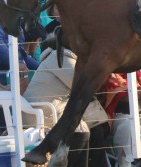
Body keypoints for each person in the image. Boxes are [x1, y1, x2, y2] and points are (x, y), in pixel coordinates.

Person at [24, 23, 110, 167]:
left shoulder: (60, 57)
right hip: (41, 114)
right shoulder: (61, 58)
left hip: (46, 111)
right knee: (85, 132)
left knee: (95, 130)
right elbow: (83, 86)